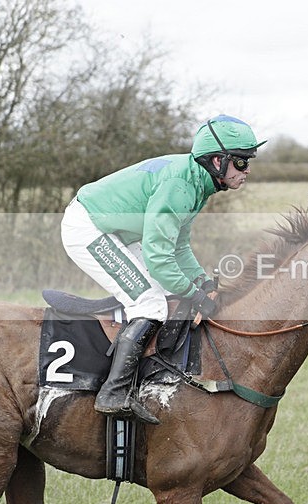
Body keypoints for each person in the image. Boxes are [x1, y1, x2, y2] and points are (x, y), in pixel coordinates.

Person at [60, 115, 265, 424]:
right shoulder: (180, 185)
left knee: (169, 293)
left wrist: (202, 282)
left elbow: (177, 245)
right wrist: (195, 295)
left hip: (117, 231)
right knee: (150, 303)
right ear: (217, 160)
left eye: (248, 162)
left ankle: (155, 377)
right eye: (240, 162)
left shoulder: (196, 181)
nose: (247, 170)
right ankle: (113, 393)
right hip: (89, 228)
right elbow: (158, 259)